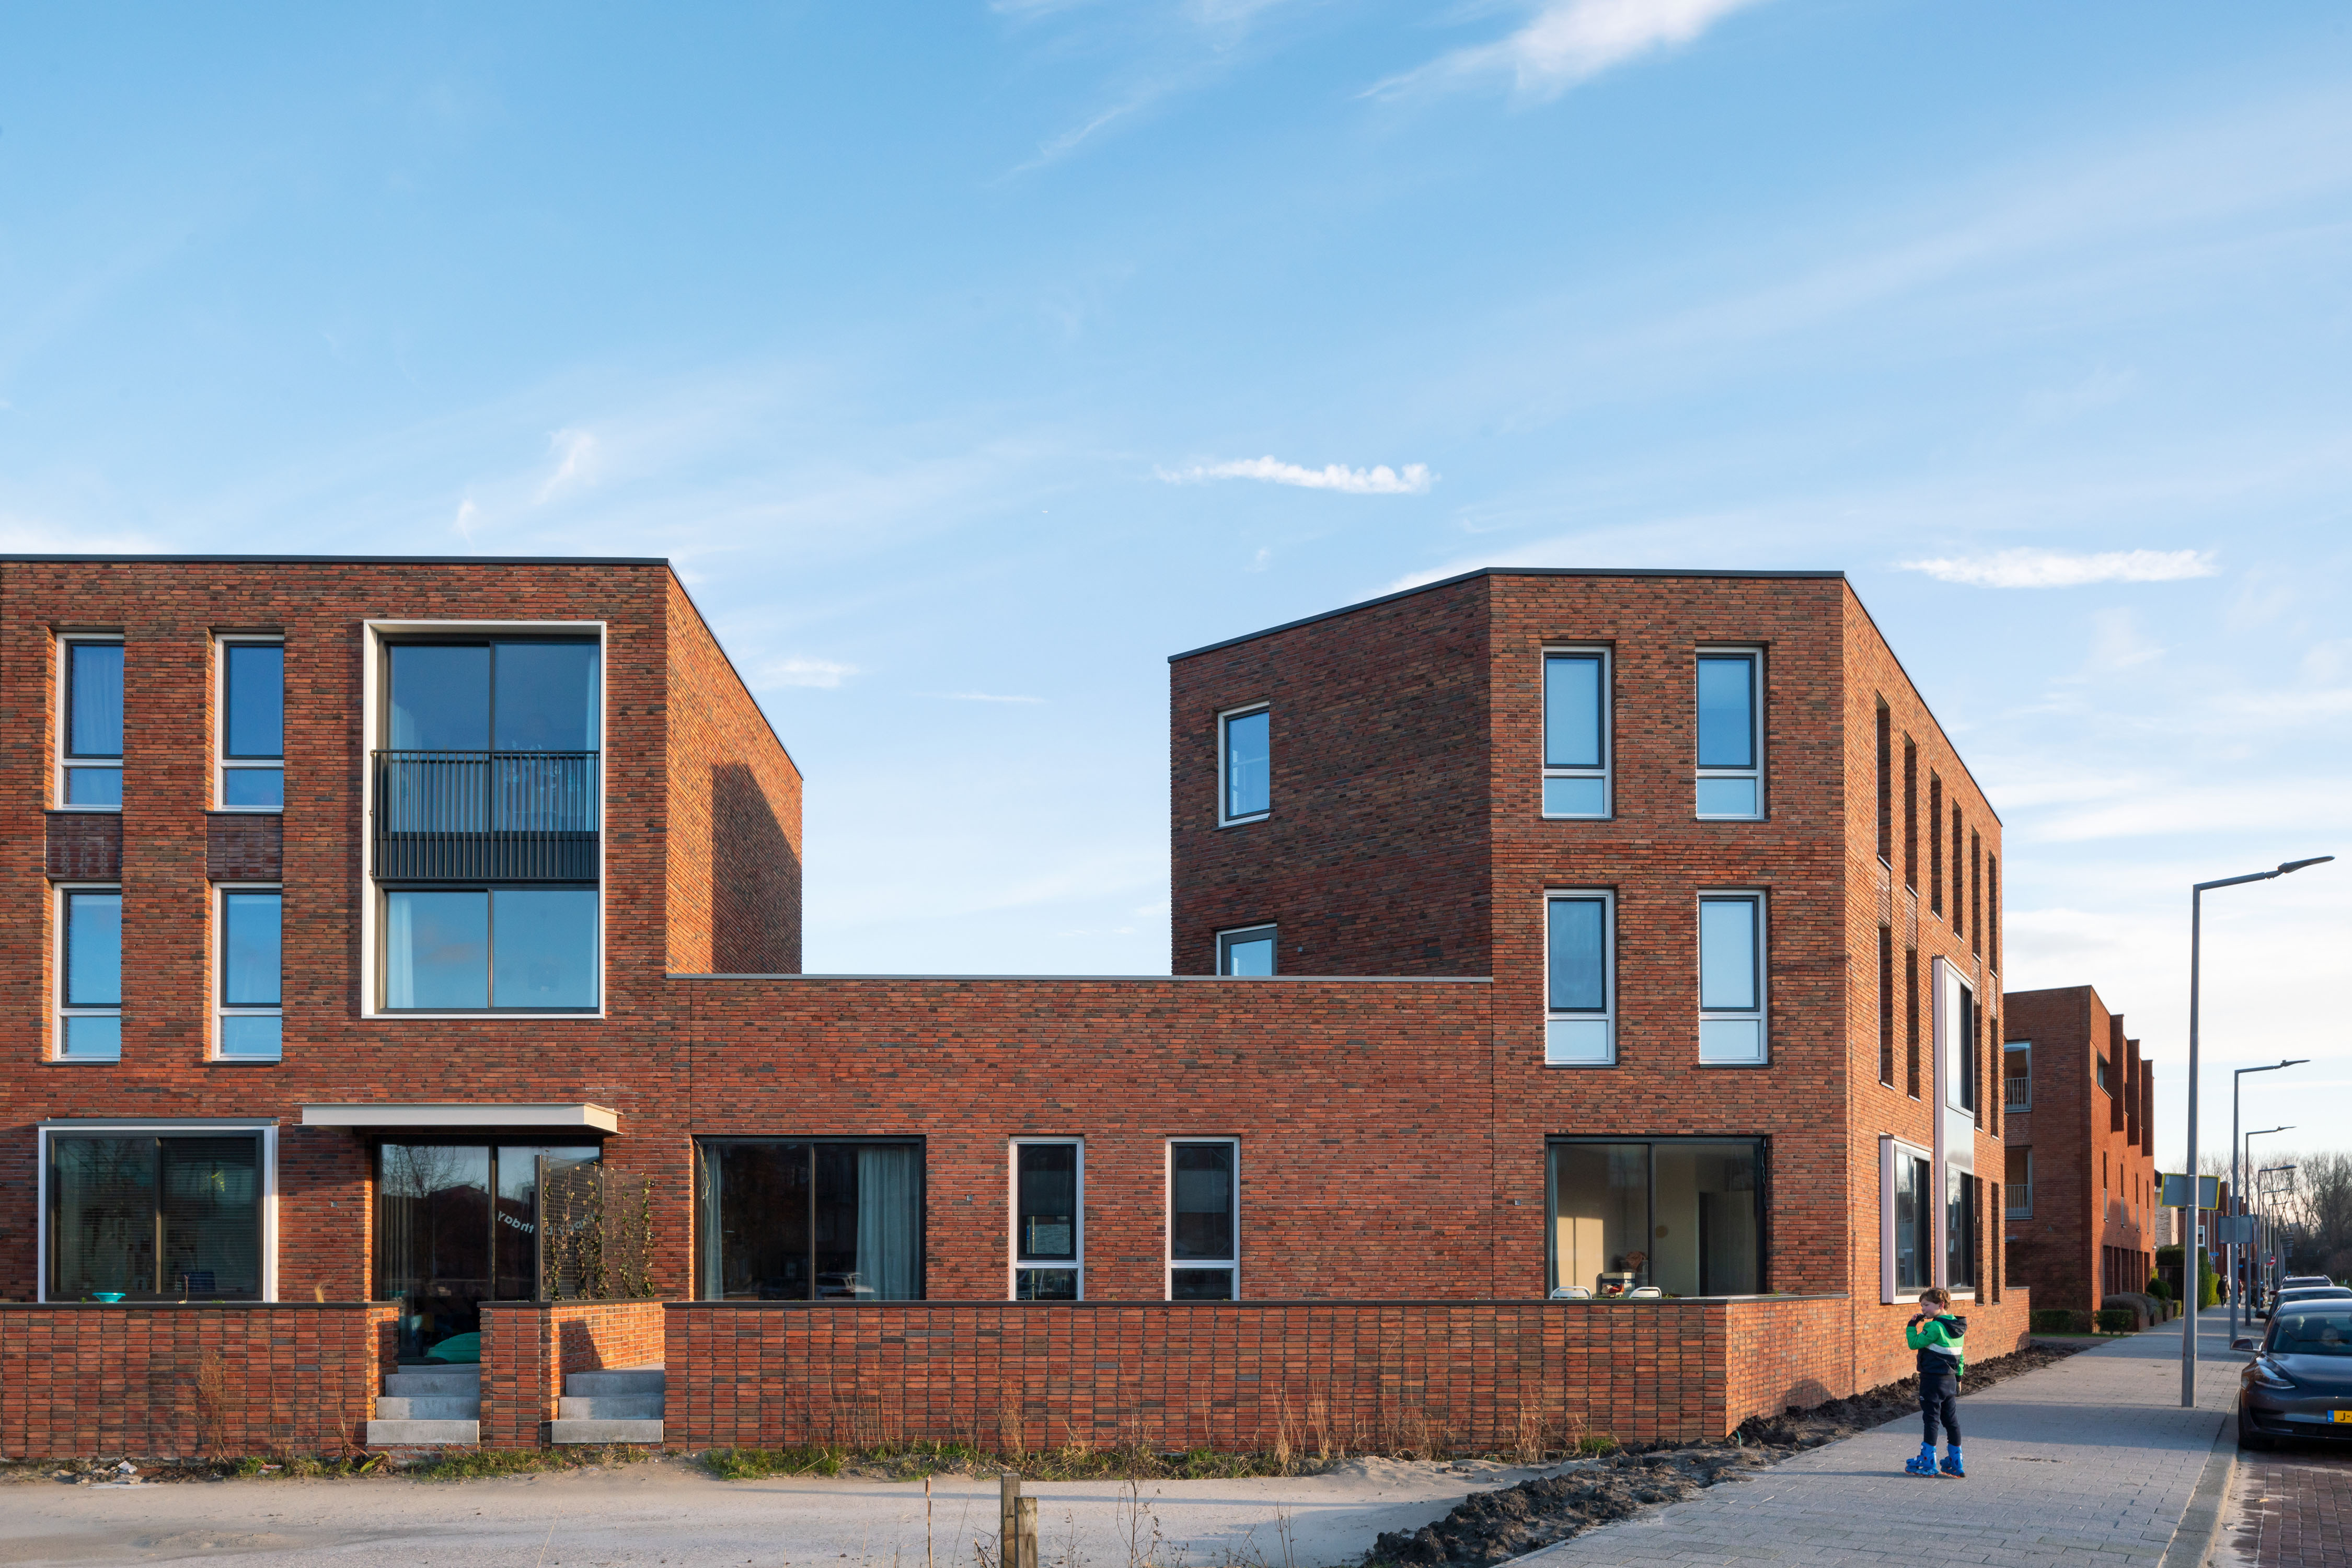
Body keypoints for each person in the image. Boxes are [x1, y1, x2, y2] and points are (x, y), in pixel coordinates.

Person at [1904, 1287, 1967, 1478]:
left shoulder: (1935, 1327)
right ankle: (1956, 1461)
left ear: (1941, 1305)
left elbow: (1914, 1343)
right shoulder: (1957, 1328)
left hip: (1932, 1381)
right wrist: (1959, 1379)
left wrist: (1911, 1325)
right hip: (1950, 1381)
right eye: (1922, 1306)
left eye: (1926, 1305)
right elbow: (1960, 1357)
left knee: (1931, 1419)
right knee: (1951, 1421)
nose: (1923, 1309)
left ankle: (1927, 1461)